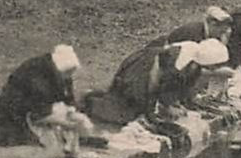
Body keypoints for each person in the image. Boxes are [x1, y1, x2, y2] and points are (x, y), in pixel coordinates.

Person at [93, 37, 230, 124]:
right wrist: (166, 106)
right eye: (216, 65)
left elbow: (182, 87)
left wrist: (176, 104)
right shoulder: (180, 60)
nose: (216, 68)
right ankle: (93, 102)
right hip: (145, 67)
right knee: (127, 109)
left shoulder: (194, 64)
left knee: (137, 110)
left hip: (155, 71)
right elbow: (161, 83)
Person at [0, 44, 80, 146]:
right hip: (15, 113)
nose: (69, 77)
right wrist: (64, 123)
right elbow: (38, 113)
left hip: (37, 109)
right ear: (59, 69)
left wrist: (72, 110)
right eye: (68, 73)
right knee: (34, 148)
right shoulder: (37, 77)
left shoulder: (62, 72)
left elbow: (67, 96)